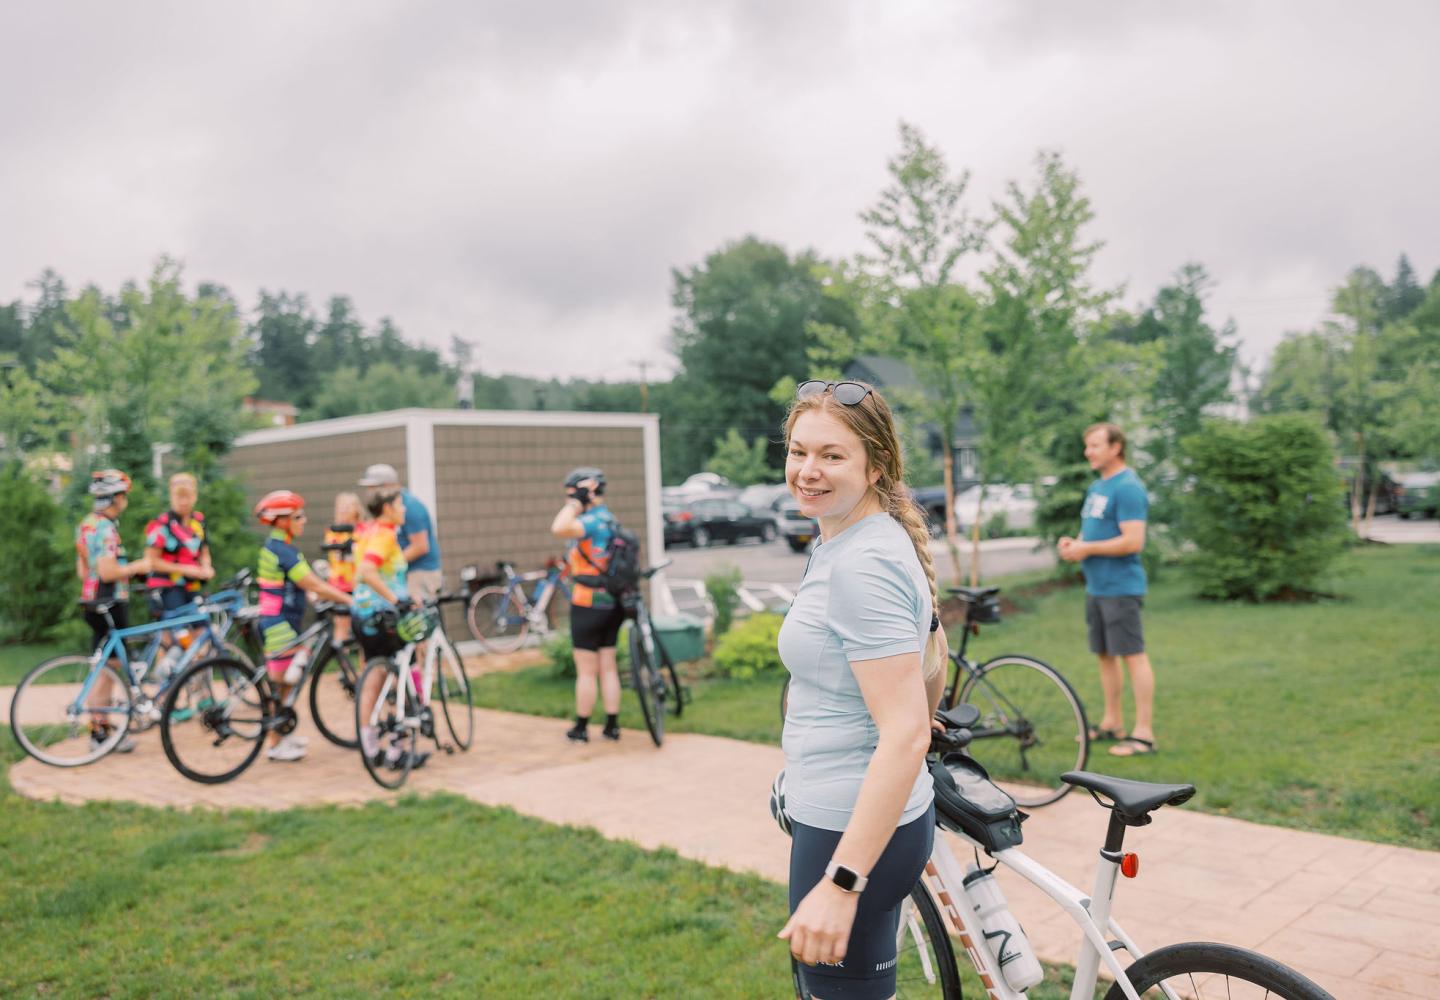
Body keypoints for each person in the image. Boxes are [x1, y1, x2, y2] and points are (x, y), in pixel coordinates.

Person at [776, 379, 949, 999]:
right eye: (799, 452)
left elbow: (904, 736)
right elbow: (932, 656)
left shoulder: (862, 562)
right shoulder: (855, 538)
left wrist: (842, 882)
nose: (807, 471)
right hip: (856, 815)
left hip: (848, 834)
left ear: (877, 467)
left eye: (831, 455)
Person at [1058, 422, 1156, 758]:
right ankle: (1112, 721)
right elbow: (1097, 533)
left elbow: (1133, 541)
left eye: (1095, 445)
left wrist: (1087, 550)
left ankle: (1143, 733)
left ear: (1116, 447)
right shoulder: (1098, 486)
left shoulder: (1128, 487)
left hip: (1121, 588)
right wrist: (1077, 544)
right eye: (1087, 446)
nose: (1088, 451)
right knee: (1105, 655)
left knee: (1133, 655)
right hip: (1097, 588)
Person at [253, 490, 353, 763]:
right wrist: (348, 599)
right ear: (283, 521)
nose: (304, 520)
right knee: (287, 679)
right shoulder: (283, 551)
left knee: (284, 686)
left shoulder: (274, 547)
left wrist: (314, 594)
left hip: (277, 621)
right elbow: (313, 583)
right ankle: (274, 743)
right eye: (298, 516)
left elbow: (296, 584)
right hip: (280, 625)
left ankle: (282, 735)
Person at [352, 487, 429, 771]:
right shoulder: (384, 536)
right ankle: (399, 751)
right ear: (387, 508)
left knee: (372, 678)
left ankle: (370, 746)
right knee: (402, 677)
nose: (404, 509)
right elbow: (367, 572)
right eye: (399, 504)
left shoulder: (366, 530)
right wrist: (398, 600)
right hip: (384, 615)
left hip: (362, 612)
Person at [76, 469, 152, 752]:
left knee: (105, 667)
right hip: (109, 601)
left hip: (91, 601)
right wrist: (139, 567)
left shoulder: (86, 524)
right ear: (115, 498)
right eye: (124, 496)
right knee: (107, 672)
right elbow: (108, 572)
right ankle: (99, 734)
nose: (126, 501)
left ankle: (102, 731)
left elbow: (82, 569)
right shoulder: (106, 528)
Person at [551, 467, 626, 744]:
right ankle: (612, 725)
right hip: (613, 602)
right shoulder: (610, 519)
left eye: (572, 494)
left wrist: (574, 505)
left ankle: (581, 728)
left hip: (587, 601)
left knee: (586, 669)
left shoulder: (591, 520)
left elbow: (558, 527)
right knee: (608, 665)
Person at [143, 472, 214, 672]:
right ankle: (163, 691)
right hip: (166, 589)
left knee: (202, 634)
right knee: (172, 640)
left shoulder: (198, 522)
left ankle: (199, 690)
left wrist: (206, 567)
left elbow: (204, 551)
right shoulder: (161, 525)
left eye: (187, 496)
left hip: (191, 588)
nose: (183, 501)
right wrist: (184, 569)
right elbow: (151, 561)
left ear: (195, 495)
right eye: (178, 496)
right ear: (171, 496)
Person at [357, 463, 441, 607]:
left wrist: (390, 564)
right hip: (400, 576)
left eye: (373, 488)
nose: (369, 493)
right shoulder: (382, 525)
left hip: (419, 571)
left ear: (388, 486)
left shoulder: (410, 507)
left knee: (417, 621)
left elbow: (421, 546)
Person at [323, 492, 365, 646]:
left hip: (360, 584)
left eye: (347, 507)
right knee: (341, 626)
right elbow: (335, 556)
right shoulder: (333, 531)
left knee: (363, 627)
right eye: (340, 507)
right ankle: (343, 665)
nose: (343, 510)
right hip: (339, 585)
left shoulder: (363, 530)